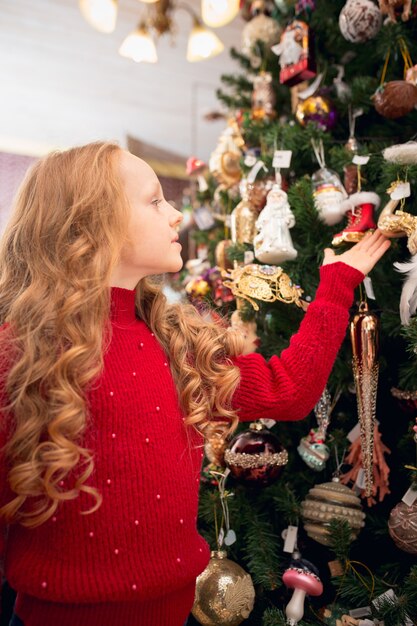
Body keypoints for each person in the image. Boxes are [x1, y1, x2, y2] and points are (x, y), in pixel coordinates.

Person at [0, 142, 390, 626]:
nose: (177, 213)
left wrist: (336, 283)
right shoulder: (20, 354)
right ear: (91, 222)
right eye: (155, 200)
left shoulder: (174, 345)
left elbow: (288, 389)